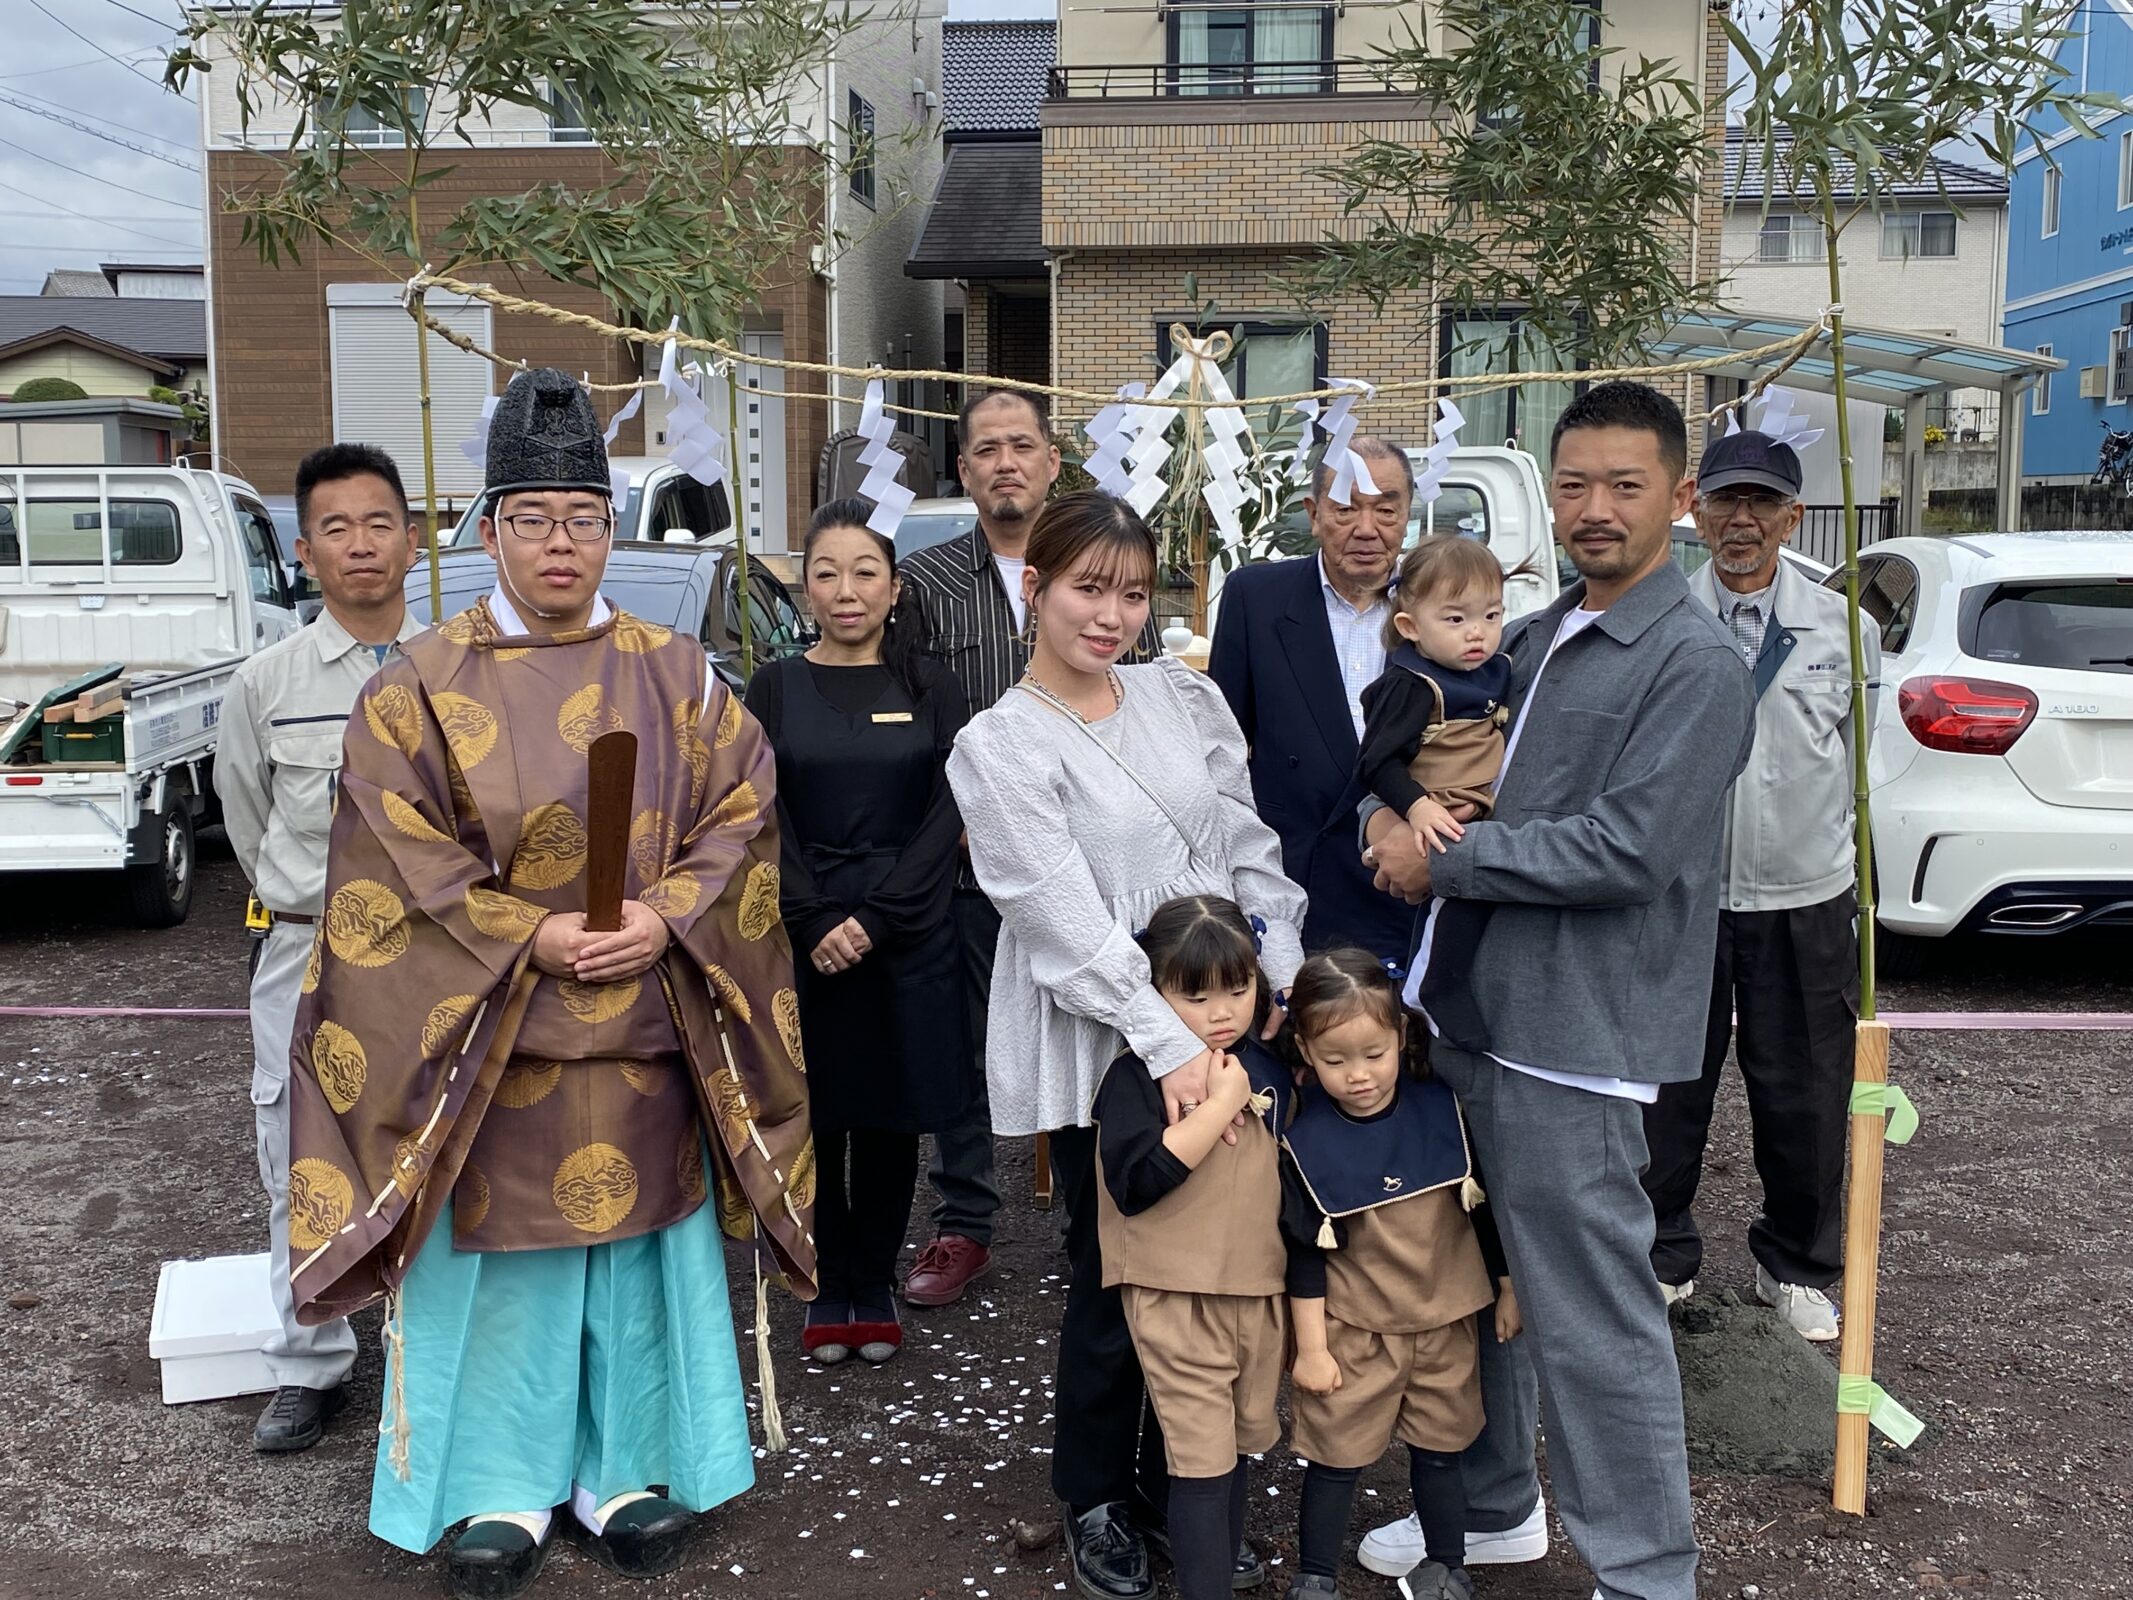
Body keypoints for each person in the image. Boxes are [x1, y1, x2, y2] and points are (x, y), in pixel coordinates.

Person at [285, 368, 814, 1600]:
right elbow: (394, 856)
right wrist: (531, 938)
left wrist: (667, 912)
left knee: (636, 1262)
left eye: (584, 516)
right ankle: (499, 1483)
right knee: (506, 1278)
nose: (561, 542)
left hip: (649, 1019)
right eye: (533, 518)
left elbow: (743, 809)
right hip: (490, 1038)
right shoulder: (414, 682)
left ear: (612, 529)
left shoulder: (679, 673)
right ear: (485, 530)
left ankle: (624, 1468)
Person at [1356, 382, 1756, 1600]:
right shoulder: (1535, 632)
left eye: (1624, 485)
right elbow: (1417, 752)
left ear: (1678, 500)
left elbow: (1629, 848)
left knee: (1593, 1316)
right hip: (1473, 1004)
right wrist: (1388, 808)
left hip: (1573, 1038)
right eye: (1573, 482)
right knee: (1477, 1283)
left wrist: (1449, 857)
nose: (1593, 508)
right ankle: (1497, 1508)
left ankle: (1646, 1575)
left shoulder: (1692, 665)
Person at [945, 490, 1306, 1600]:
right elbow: (1063, 918)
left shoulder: (1179, 695)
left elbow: (1244, 837)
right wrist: (1166, 1043)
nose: (1111, 615)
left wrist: (1277, 959)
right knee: (1116, 1273)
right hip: (1108, 1031)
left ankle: (1182, 1481)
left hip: (1228, 1011)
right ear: (1034, 589)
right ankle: (1096, 1492)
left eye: (1133, 592)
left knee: (1225, 1256)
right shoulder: (998, 744)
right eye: (1087, 588)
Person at [899, 387, 1160, 1308]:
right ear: (963, 469)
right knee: (969, 1046)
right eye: (985, 449)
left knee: (1096, 1035)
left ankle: (1087, 1214)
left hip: (1091, 863)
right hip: (964, 858)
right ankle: (965, 1220)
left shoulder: (1110, 569)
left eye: (1022, 445)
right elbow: (910, 731)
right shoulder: (923, 583)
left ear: (1054, 460)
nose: (1005, 462)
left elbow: (1141, 704)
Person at [1641, 428, 1879, 1341]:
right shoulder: (1665, 621)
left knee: (1805, 1086)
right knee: (1668, 1084)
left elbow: (1863, 766)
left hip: (1802, 892)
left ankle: (1798, 1267)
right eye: (1724, 503)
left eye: (1762, 505)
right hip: (1682, 893)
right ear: (1693, 511)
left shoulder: (1841, 628)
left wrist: (1858, 893)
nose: (1741, 522)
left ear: (1793, 518)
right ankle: (1662, 1255)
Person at [216, 443, 421, 1453]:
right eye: (335, 527)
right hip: (306, 953)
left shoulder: (457, 670)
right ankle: (311, 1361)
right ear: (303, 549)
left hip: (436, 955)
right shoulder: (265, 683)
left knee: (438, 1143)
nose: (359, 545)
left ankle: (433, 1353)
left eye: (378, 522)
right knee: (296, 1151)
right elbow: (250, 822)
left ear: (413, 542)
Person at [745, 499, 971, 1366]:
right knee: (819, 1112)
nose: (846, 590)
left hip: (906, 924)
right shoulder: (772, 685)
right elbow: (756, 813)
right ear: (805, 587)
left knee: (887, 1115)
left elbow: (952, 806)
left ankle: (872, 1281)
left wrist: (875, 919)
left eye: (864, 572)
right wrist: (810, 917)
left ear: (894, 585)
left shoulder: (929, 685)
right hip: (800, 924)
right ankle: (823, 1279)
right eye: (828, 573)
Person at [1279, 949, 1519, 1600]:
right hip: (1354, 1331)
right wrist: (1313, 1348)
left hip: (1444, 1322)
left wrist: (1505, 1284)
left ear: (1401, 1035)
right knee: (1333, 1459)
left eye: (1372, 1055)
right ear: (1303, 1048)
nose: (1358, 1076)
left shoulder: (1440, 1110)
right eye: (1334, 1060)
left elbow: (1484, 1210)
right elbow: (1306, 1252)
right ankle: (1316, 1577)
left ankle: (1448, 1565)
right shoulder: (1305, 1142)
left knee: (1441, 1453)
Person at [1091, 896, 1291, 1600]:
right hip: (1172, 1291)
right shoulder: (1137, 1077)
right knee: (1201, 1463)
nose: (1221, 1012)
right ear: (1153, 991)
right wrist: (1217, 1107)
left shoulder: (1270, 1069)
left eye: (1237, 989)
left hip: (1259, 1292)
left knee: (1236, 1452)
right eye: (1194, 994)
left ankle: (1213, 1568)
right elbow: (1135, 1182)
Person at [1208, 438, 1419, 966]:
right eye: (1346, 508)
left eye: (1386, 510)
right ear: (1314, 513)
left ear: (1408, 515)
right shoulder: (1255, 598)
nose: (1366, 528)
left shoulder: (1441, 606)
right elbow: (1219, 753)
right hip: (1291, 876)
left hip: (1403, 876)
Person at [1356, 536, 1512, 858]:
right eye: (1456, 619)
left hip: (1485, 824)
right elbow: (1377, 763)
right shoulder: (1411, 685)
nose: (1477, 632)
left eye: (1491, 615)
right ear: (1410, 627)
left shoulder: (1501, 667)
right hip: (1429, 816)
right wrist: (1417, 808)